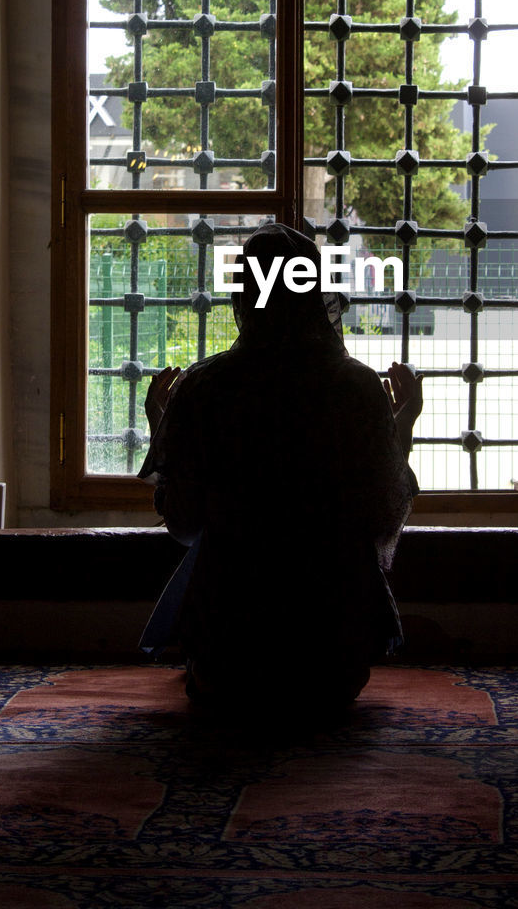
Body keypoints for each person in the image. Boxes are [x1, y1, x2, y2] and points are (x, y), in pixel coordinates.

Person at [138, 224, 422, 713]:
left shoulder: (205, 388)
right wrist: (403, 428)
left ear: (245, 295)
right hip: (332, 666)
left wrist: (162, 427)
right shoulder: (356, 389)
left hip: (228, 665)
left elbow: (183, 525)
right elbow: (381, 518)